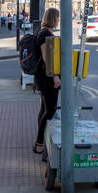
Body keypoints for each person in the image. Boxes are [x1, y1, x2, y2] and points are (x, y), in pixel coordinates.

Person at [33, 8, 61, 154]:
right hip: (47, 78)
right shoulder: (45, 34)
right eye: (57, 17)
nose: (59, 19)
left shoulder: (43, 32)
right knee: (49, 111)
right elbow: (46, 57)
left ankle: (40, 141)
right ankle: (38, 143)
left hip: (44, 77)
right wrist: (55, 76)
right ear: (53, 18)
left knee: (44, 109)